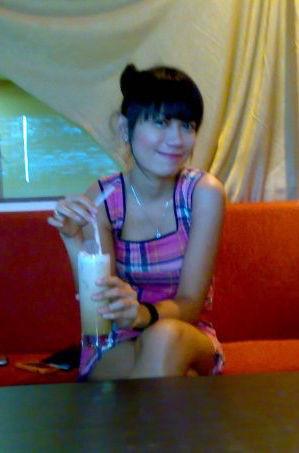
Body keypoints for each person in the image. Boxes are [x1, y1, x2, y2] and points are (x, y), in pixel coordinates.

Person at [47, 63, 226, 381]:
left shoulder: (203, 193)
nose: (177, 139)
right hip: (117, 340)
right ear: (124, 127)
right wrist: (72, 239)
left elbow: (190, 304)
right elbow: (99, 307)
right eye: (160, 122)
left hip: (186, 333)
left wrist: (143, 314)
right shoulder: (103, 198)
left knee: (164, 337)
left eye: (187, 125)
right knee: (178, 379)